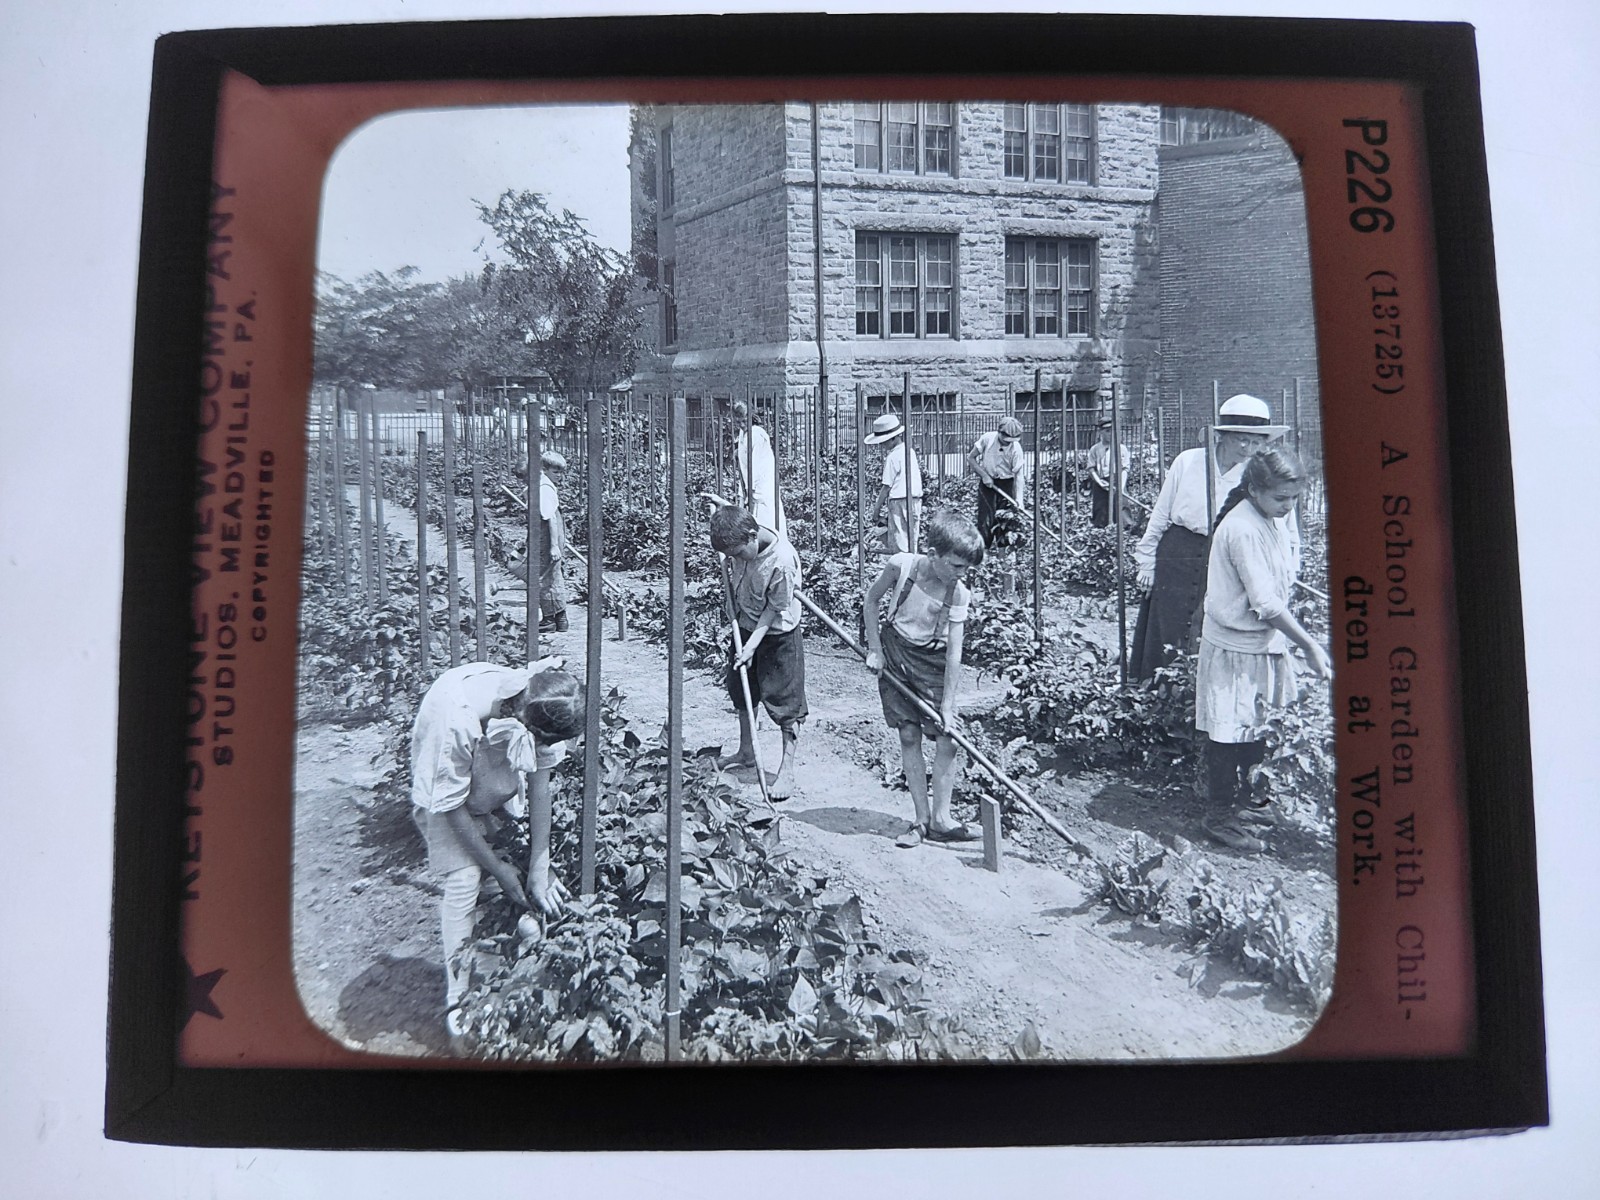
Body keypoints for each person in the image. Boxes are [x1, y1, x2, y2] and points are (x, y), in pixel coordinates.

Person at [408, 660, 585, 1041]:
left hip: (491, 770)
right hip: (447, 790)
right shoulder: (457, 718)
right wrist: (499, 871)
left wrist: (540, 866)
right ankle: (459, 1001)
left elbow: (540, 787)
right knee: (465, 877)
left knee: (517, 862)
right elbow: (451, 805)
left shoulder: (538, 705)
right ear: (524, 727)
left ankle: (510, 969)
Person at [1195, 446, 1330, 851]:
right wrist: (1307, 643)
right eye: (1280, 498)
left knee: (1257, 723)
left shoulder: (1267, 519)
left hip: (1260, 643)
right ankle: (1218, 813)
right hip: (1234, 645)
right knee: (1227, 731)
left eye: (1294, 498)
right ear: (1254, 490)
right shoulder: (1242, 528)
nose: (1289, 506)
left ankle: (1251, 799)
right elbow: (1266, 603)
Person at [1129, 393, 1291, 680]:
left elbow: (1286, 533)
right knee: (1166, 627)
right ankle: (1153, 696)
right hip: (1179, 554)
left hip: (1227, 559)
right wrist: (1147, 562)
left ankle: (1198, 703)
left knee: (1213, 628)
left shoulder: (1262, 477)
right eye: (1242, 439)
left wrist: (1285, 575)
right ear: (1223, 436)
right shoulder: (1188, 462)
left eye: (1256, 442)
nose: (1248, 448)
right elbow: (1160, 516)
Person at [863, 509, 985, 848]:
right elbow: (871, 602)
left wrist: (948, 705)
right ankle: (920, 819)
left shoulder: (958, 594)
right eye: (957, 566)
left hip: (931, 660)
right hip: (895, 651)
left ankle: (942, 819)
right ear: (933, 555)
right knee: (907, 733)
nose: (962, 574)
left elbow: (954, 655)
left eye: (967, 568)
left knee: (948, 737)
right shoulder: (901, 566)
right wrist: (875, 649)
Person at [709, 505, 807, 800]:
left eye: (739, 554)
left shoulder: (782, 560)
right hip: (745, 624)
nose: (736, 559)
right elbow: (732, 520)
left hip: (778, 633)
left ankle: (786, 771)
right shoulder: (742, 535)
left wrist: (751, 646)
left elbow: (774, 610)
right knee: (742, 690)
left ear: (753, 537)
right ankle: (746, 751)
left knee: (785, 702)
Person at [510, 451, 571, 633]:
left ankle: (549, 620)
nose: (523, 482)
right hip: (546, 535)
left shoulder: (541, 489)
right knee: (552, 576)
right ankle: (560, 619)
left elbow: (550, 518)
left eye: (525, 478)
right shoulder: (542, 486)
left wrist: (553, 546)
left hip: (547, 537)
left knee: (543, 578)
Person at [865, 412, 923, 553]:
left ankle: (901, 572)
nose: (882, 445)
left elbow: (886, 487)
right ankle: (911, 570)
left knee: (899, 542)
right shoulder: (909, 452)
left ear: (893, 439)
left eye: (884, 441)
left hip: (898, 501)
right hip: (915, 500)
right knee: (911, 540)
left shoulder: (893, 457)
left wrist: (876, 509)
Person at [966, 416, 1028, 549]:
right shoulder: (987, 439)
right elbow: (971, 458)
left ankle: (1002, 560)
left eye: (1011, 441)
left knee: (1005, 522)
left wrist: (1019, 499)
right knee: (985, 522)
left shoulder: (1016, 449)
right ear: (999, 433)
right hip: (988, 483)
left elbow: (1019, 475)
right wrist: (984, 475)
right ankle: (983, 557)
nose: (1008, 444)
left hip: (1007, 484)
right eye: (1006, 441)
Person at [730, 399, 787, 535]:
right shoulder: (743, 434)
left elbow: (756, 464)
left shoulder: (757, 434)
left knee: (766, 521)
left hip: (762, 485)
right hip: (750, 485)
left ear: (750, 417)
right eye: (738, 422)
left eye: (744, 421)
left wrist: (751, 490)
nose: (742, 425)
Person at [1087, 418, 1131, 528]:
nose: (1110, 434)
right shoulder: (1095, 449)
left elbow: (1125, 469)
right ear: (1100, 432)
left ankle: (1125, 534)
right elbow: (1091, 468)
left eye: (1112, 430)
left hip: (1118, 481)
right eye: (1107, 431)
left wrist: (1121, 486)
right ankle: (1101, 534)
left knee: (1121, 508)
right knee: (1101, 511)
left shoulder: (1121, 448)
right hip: (1102, 483)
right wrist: (1100, 482)